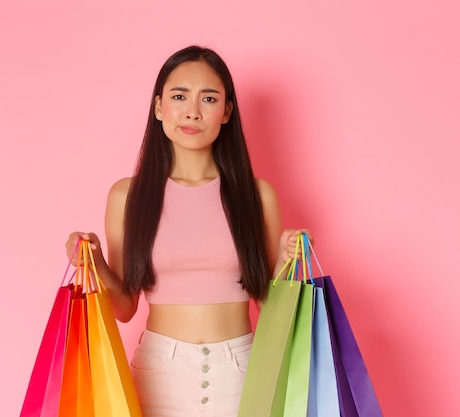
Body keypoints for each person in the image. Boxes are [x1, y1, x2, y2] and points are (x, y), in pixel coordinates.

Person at [65, 45, 311, 417]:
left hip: (242, 372)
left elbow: (267, 304)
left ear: (226, 111)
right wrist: (93, 260)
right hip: (158, 374)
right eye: (179, 96)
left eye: (208, 98)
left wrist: (285, 263)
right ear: (159, 106)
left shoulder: (257, 196)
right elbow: (125, 306)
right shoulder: (126, 196)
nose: (193, 111)